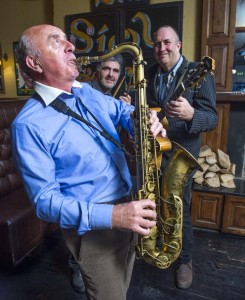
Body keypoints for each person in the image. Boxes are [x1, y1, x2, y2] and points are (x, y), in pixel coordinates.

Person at [11, 24, 166, 300]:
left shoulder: (85, 91)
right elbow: (45, 203)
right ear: (34, 63)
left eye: (67, 40)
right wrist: (115, 216)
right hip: (97, 229)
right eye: (56, 41)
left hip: (130, 205)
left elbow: (121, 110)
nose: (71, 45)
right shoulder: (28, 125)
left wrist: (141, 118)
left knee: (123, 288)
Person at [146, 25, 218, 290]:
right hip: (154, 151)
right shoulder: (150, 73)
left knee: (179, 208)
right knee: (153, 202)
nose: (161, 48)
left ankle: (185, 261)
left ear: (178, 45)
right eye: (156, 44)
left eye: (167, 42)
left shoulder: (198, 72)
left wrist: (190, 115)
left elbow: (212, 118)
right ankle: (157, 246)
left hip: (181, 155)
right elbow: (148, 108)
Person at [68, 53, 132, 293]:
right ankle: (77, 264)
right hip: (86, 174)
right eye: (106, 69)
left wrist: (128, 112)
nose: (110, 75)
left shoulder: (114, 96)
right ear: (97, 70)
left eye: (115, 71)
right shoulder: (84, 91)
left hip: (109, 167)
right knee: (83, 230)